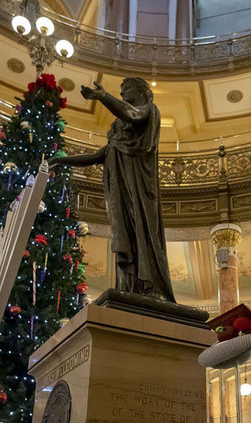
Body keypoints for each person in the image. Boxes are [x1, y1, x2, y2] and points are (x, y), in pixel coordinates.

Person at [48, 78, 175, 302]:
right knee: (125, 234)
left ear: (143, 93)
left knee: (142, 233)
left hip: (140, 193)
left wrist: (104, 96)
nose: (123, 93)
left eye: (127, 90)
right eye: (121, 92)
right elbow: (97, 156)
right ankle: (130, 285)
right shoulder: (119, 137)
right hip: (121, 195)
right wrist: (62, 161)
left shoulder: (148, 111)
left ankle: (150, 286)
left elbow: (133, 114)